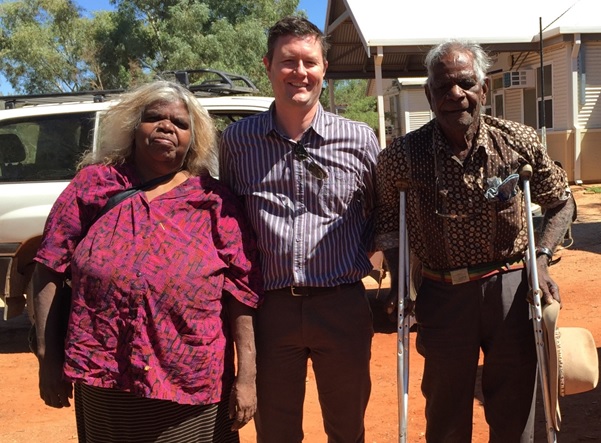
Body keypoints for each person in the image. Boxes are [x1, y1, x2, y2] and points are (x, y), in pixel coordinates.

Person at [32, 80, 263, 443]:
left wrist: (247, 378)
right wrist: (48, 356)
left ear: (194, 137)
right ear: (133, 126)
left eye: (180, 123)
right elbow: (49, 265)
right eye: (154, 117)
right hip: (106, 375)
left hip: (192, 382)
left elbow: (242, 294)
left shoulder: (215, 201)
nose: (167, 126)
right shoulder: (94, 185)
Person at [375, 40, 575, 442]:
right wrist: (400, 285)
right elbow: (386, 224)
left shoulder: (518, 142)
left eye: (465, 84)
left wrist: (542, 257)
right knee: (446, 415)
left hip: (512, 291)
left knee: (514, 409)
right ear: (429, 94)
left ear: (483, 88)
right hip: (442, 294)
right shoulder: (402, 156)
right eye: (443, 87)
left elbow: (562, 203)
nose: (455, 95)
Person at [219, 16, 380, 443]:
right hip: (269, 311)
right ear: (268, 66)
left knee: (347, 429)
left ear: (324, 68)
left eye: (310, 61)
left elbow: (381, 212)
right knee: (276, 431)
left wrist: (378, 259)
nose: (300, 72)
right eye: (288, 62)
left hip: (342, 305)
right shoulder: (237, 141)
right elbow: (227, 222)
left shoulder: (360, 139)